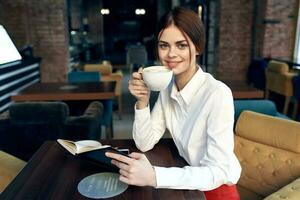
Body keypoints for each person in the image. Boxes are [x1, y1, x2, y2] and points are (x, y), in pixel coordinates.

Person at [105, 6, 241, 200]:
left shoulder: (217, 94)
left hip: (215, 190)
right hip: (186, 179)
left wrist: (154, 176)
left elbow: (217, 172)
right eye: (163, 45)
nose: (171, 54)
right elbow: (144, 143)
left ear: (198, 47)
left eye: (181, 45)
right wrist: (143, 102)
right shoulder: (168, 88)